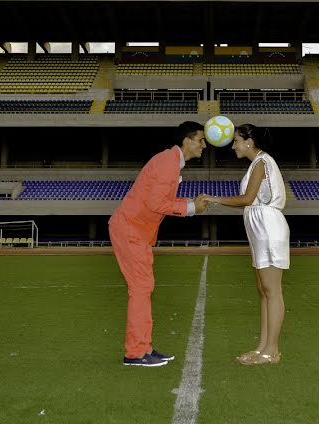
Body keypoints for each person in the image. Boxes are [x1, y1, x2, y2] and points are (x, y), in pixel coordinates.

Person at [109, 121, 209, 367]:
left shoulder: (171, 162)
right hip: (131, 229)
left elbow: (161, 199)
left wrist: (189, 204)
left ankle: (143, 348)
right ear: (187, 140)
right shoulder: (168, 162)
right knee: (141, 289)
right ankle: (135, 353)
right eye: (201, 140)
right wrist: (191, 208)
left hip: (136, 231)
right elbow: (156, 203)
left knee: (144, 288)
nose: (204, 145)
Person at [201, 124, 289, 366]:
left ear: (249, 141)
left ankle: (272, 351)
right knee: (263, 290)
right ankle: (262, 347)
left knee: (272, 290)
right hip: (260, 227)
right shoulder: (256, 164)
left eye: (237, 141)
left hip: (269, 227)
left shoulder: (262, 162)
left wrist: (213, 199)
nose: (233, 146)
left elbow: (247, 199)